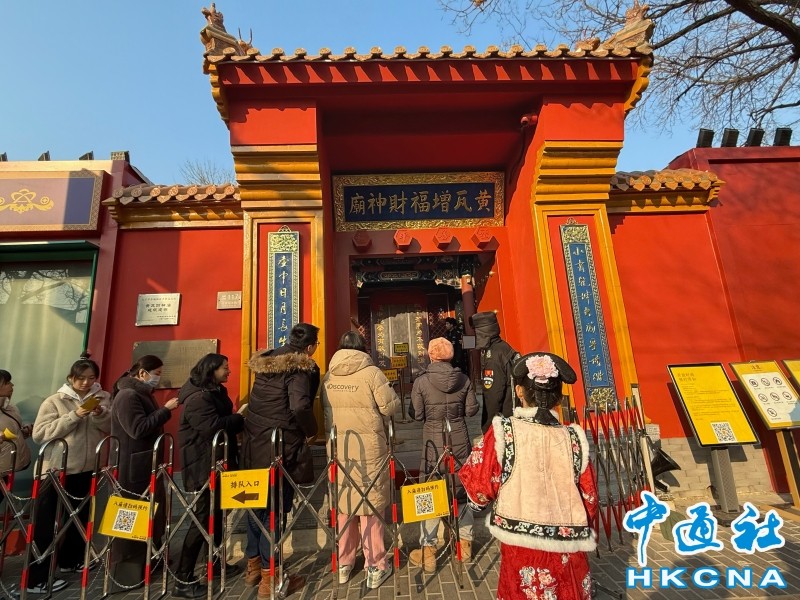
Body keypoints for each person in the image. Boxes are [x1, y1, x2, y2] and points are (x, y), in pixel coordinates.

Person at [459, 353, 598, 600]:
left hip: (521, 541)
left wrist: (477, 502)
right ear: (558, 396)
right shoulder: (574, 437)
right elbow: (589, 496)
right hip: (567, 541)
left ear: (519, 391)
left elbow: (480, 482)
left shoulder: (504, 431)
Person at [242, 323, 321, 599]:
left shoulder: (268, 362)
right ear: (310, 347)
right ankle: (270, 577)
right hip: (280, 446)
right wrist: (311, 431)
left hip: (254, 442)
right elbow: (299, 406)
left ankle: (253, 565)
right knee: (274, 509)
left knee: (255, 504)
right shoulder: (298, 368)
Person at [320, 331, 399, 590]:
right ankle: (375, 565)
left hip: (339, 447)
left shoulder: (329, 376)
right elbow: (390, 407)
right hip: (369, 448)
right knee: (370, 504)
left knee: (345, 504)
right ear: (363, 348)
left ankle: (344, 562)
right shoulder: (372, 374)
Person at [29, 355, 111, 594]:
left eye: (91, 378)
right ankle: (37, 578)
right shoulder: (55, 401)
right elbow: (40, 434)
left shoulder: (103, 397)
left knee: (81, 518)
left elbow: (110, 427)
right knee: (46, 524)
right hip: (55, 471)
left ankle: (71, 561)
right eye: (81, 378)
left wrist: (99, 413)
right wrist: (75, 415)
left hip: (87, 468)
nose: (86, 383)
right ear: (71, 378)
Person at [174, 353, 244, 597]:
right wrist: (239, 418)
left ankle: (214, 561)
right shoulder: (197, 398)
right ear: (211, 370)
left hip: (218, 462)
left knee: (218, 515)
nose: (229, 371)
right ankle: (183, 578)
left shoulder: (214, 391)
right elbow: (211, 427)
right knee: (202, 520)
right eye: (225, 367)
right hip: (202, 466)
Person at [109, 355, 180, 591]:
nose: (158, 378)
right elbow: (137, 429)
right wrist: (166, 410)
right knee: (130, 517)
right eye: (156, 373)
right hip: (131, 467)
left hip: (146, 464)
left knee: (151, 514)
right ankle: (127, 573)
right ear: (142, 373)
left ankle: (149, 561)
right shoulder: (127, 396)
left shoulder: (142, 394)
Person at [408, 337, 478, 572]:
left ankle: (428, 550)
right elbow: (471, 410)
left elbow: (417, 414)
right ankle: (464, 544)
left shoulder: (422, 382)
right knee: (461, 487)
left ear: (431, 355)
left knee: (430, 489)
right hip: (459, 440)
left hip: (433, 442)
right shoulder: (464, 379)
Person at [469, 311, 520, 432]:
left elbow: (494, 394)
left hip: (503, 418)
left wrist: (488, 425)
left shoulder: (493, 356)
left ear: (483, 332)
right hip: (513, 411)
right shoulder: (504, 347)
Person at [0, 370, 32, 475]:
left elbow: (14, 430)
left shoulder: (11, 408)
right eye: (7, 383)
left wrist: (24, 429)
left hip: (13, 467)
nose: (12, 385)